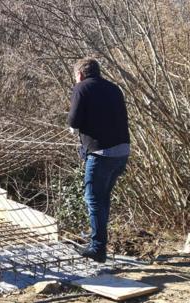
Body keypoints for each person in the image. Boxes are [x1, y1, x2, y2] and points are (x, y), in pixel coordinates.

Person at [68, 58, 130, 263]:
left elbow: (74, 121)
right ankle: (98, 239)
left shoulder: (82, 88)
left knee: (93, 198)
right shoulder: (114, 88)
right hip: (122, 151)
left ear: (80, 74)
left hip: (101, 153)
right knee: (103, 198)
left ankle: (97, 247)